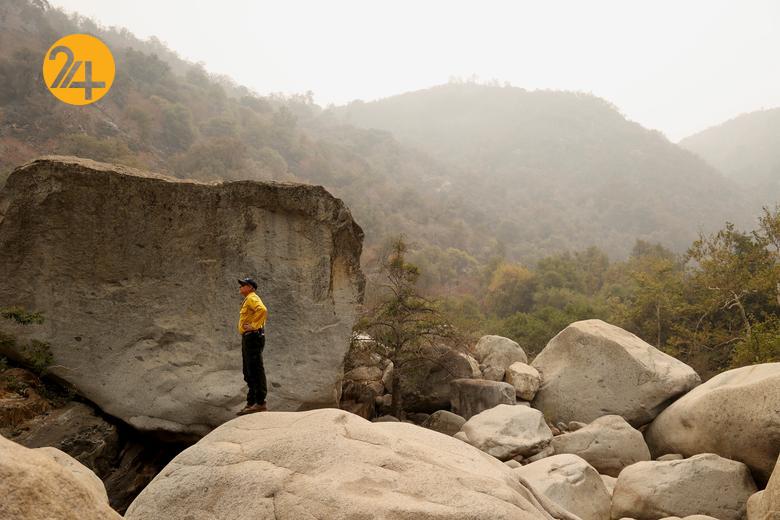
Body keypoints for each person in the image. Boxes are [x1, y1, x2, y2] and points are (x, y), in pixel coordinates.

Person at [236, 277, 269, 415]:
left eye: (243, 285)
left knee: (255, 369)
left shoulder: (252, 297)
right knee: (248, 370)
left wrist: (254, 325)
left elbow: (262, 310)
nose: (240, 287)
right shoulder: (248, 299)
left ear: (251, 287)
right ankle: (251, 402)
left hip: (253, 336)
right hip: (249, 337)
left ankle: (260, 402)